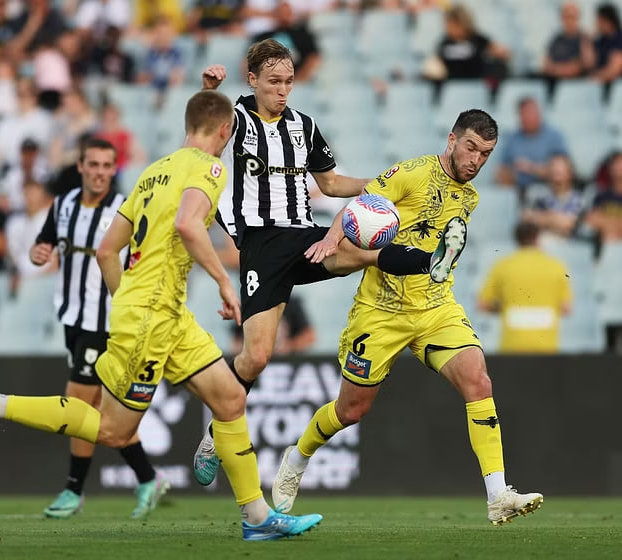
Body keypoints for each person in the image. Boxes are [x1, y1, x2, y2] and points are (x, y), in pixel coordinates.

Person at [0, 90, 324, 541]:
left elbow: (107, 250)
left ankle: (257, 518)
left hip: (165, 314)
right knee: (112, 430)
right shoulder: (211, 168)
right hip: (151, 316)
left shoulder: (153, 172)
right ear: (225, 130)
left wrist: (131, 302)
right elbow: (187, 223)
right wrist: (223, 281)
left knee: (229, 399)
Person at [193, 39, 463, 486]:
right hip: (261, 245)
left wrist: (383, 186)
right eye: (274, 82)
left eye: (289, 82)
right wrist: (207, 95)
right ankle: (213, 434)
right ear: (253, 78)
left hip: (304, 234)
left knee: (361, 250)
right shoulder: (233, 119)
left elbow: (332, 183)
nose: (283, 91)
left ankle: (432, 260)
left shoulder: (304, 125)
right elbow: (199, 156)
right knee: (256, 358)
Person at [271, 110, 544, 526]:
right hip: (380, 312)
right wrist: (330, 238)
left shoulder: (469, 198)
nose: (476, 160)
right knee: (351, 411)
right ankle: (298, 456)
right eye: (471, 148)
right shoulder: (412, 173)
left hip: (435, 307)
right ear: (452, 140)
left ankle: (497, 494)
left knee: (478, 380)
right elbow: (361, 207)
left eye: (485, 154)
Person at [27, 137, 165, 519]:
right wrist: (37, 253)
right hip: (73, 318)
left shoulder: (125, 209)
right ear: (82, 167)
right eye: (95, 165)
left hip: (105, 323)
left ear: (114, 170)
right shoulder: (64, 205)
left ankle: (74, 490)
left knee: (76, 404)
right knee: (103, 413)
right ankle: (148, 477)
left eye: (108, 166)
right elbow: (43, 244)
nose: (101, 172)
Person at [477, 222, 572, 353]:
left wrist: (506, 308)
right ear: (538, 238)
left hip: (512, 346)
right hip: (547, 347)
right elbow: (566, 308)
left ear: (517, 239)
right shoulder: (556, 266)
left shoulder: (503, 266)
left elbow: (483, 304)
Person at [495, 97, 568, 194]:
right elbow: (501, 171)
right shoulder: (512, 139)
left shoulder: (554, 136)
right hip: (518, 191)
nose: (529, 117)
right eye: (525, 114)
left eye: (532, 113)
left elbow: (563, 172)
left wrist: (532, 168)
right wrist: (510, 174)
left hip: (549, 191)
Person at [430, 5, 510, 82]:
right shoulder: (444, 42)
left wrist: (500, 54)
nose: (448, 28)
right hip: (452, 85)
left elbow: (501, 53)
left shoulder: (478, 39)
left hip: (477, 83)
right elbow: (437, 63)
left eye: (452, 24)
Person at [521, 154, 585, 245]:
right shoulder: (537, 193)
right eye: (553, 172)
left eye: (559, 173)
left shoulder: (578, 197)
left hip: (569, 246)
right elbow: (525, 218)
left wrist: (540, 218)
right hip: (540, 245)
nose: (555, 177)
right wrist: (555, 219)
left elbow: (568, 224)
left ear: (569, 174)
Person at [585, 151, 622, 245]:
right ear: (610, 168)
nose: (620, 168)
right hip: (603, 244)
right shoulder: (601, 196)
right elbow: (592, 220)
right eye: (617, 164)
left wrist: (607, 224)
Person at [252, 1, 320, 83]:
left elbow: (313, 57)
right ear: (275, 15)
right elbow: (250, 60)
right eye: (280, 12)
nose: (284, 16)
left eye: (287, 13)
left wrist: (298, 80)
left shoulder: (303, 35)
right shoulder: (263, 36)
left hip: (297, 82)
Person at [5, 180, 55, 284]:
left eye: (35, 193)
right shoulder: (13, 222)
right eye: (27, 193)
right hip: (19, 280)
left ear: (43, 195)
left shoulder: (54, 221)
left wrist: (34, 281)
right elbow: (12, 256)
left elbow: (56, 261)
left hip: (47, 280)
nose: (31, 198)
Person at [542, 2, 593, 82]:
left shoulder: (585, 39)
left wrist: (563, 69)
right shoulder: (556, 40)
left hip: (578, 84)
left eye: (572, 17)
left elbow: (588, 64)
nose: (569, 21)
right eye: (566, 17)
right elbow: (546, 65)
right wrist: (561, 70)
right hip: (557, 83)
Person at [588, 3, 622, 85]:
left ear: (607, 21)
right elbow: (589, 64)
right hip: (601, 87)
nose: (596, 23)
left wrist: (594, 77)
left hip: (621, 88)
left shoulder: (621, 39)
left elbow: (614, 71)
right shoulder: (601, 41)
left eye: (599, 20)